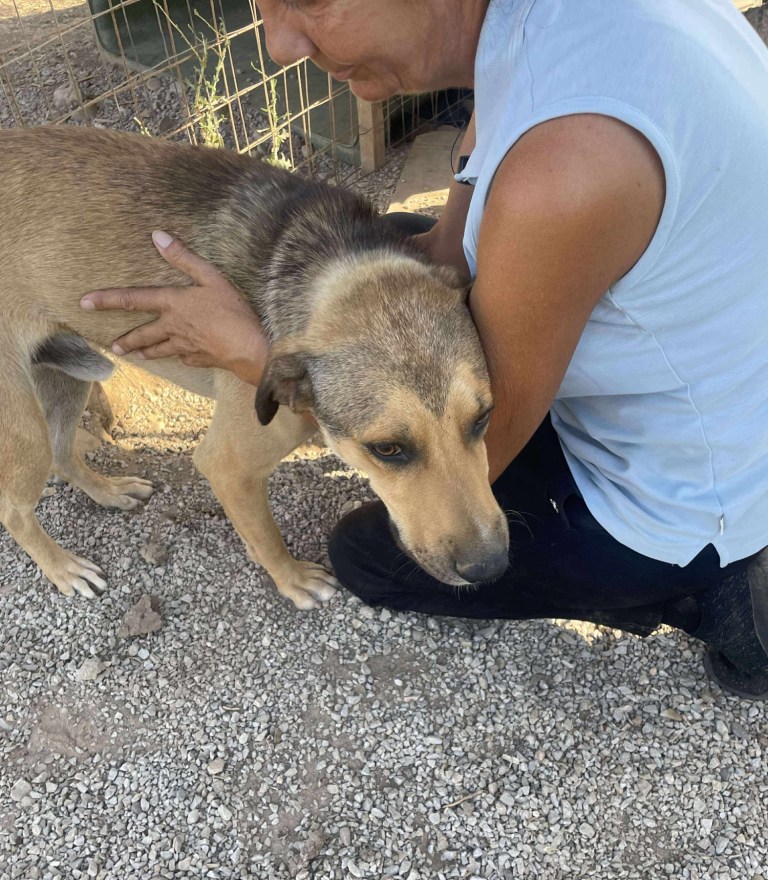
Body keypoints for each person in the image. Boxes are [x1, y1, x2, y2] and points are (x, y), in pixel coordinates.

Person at [80, 0, 768, 698]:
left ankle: (715, 598)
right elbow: (453, 231)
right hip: (717, 374)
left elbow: (496, 445)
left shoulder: (563, 170)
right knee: (395, 251)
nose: (279, 45)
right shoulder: (542, 33)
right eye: (263, 4)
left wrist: (254, 354)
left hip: (694, 491)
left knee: (369, 557)